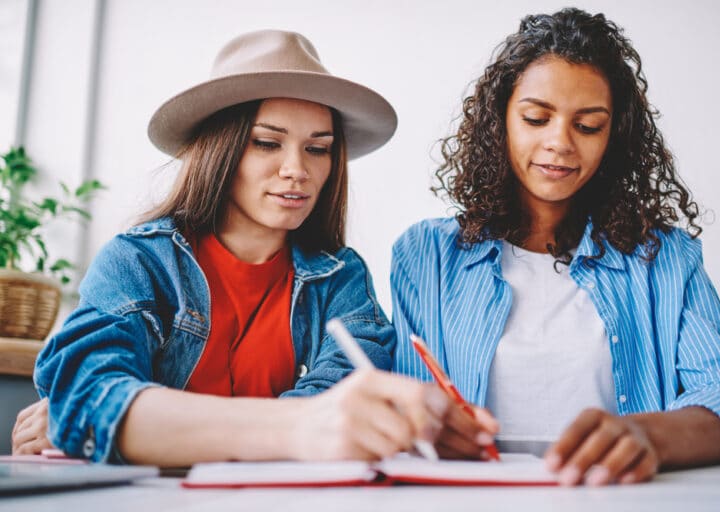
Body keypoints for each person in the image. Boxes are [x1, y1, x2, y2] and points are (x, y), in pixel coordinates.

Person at [13, 30, 454, 466]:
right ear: (219, 149)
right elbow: (89, 395)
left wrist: (128, 422)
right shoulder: (138, 261)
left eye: (318, 149)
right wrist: (299, 427)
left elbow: (348, 406)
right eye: (267, 143)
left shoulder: (340, 276)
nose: (297, 170)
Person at [391, 8, 720, 486]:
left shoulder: (663, 259)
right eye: (536, 118)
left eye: (587, 126)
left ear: (615, 137)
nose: (560, 143)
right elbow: (407, 417)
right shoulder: (426, 257)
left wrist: (650, 435)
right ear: (500, 120)